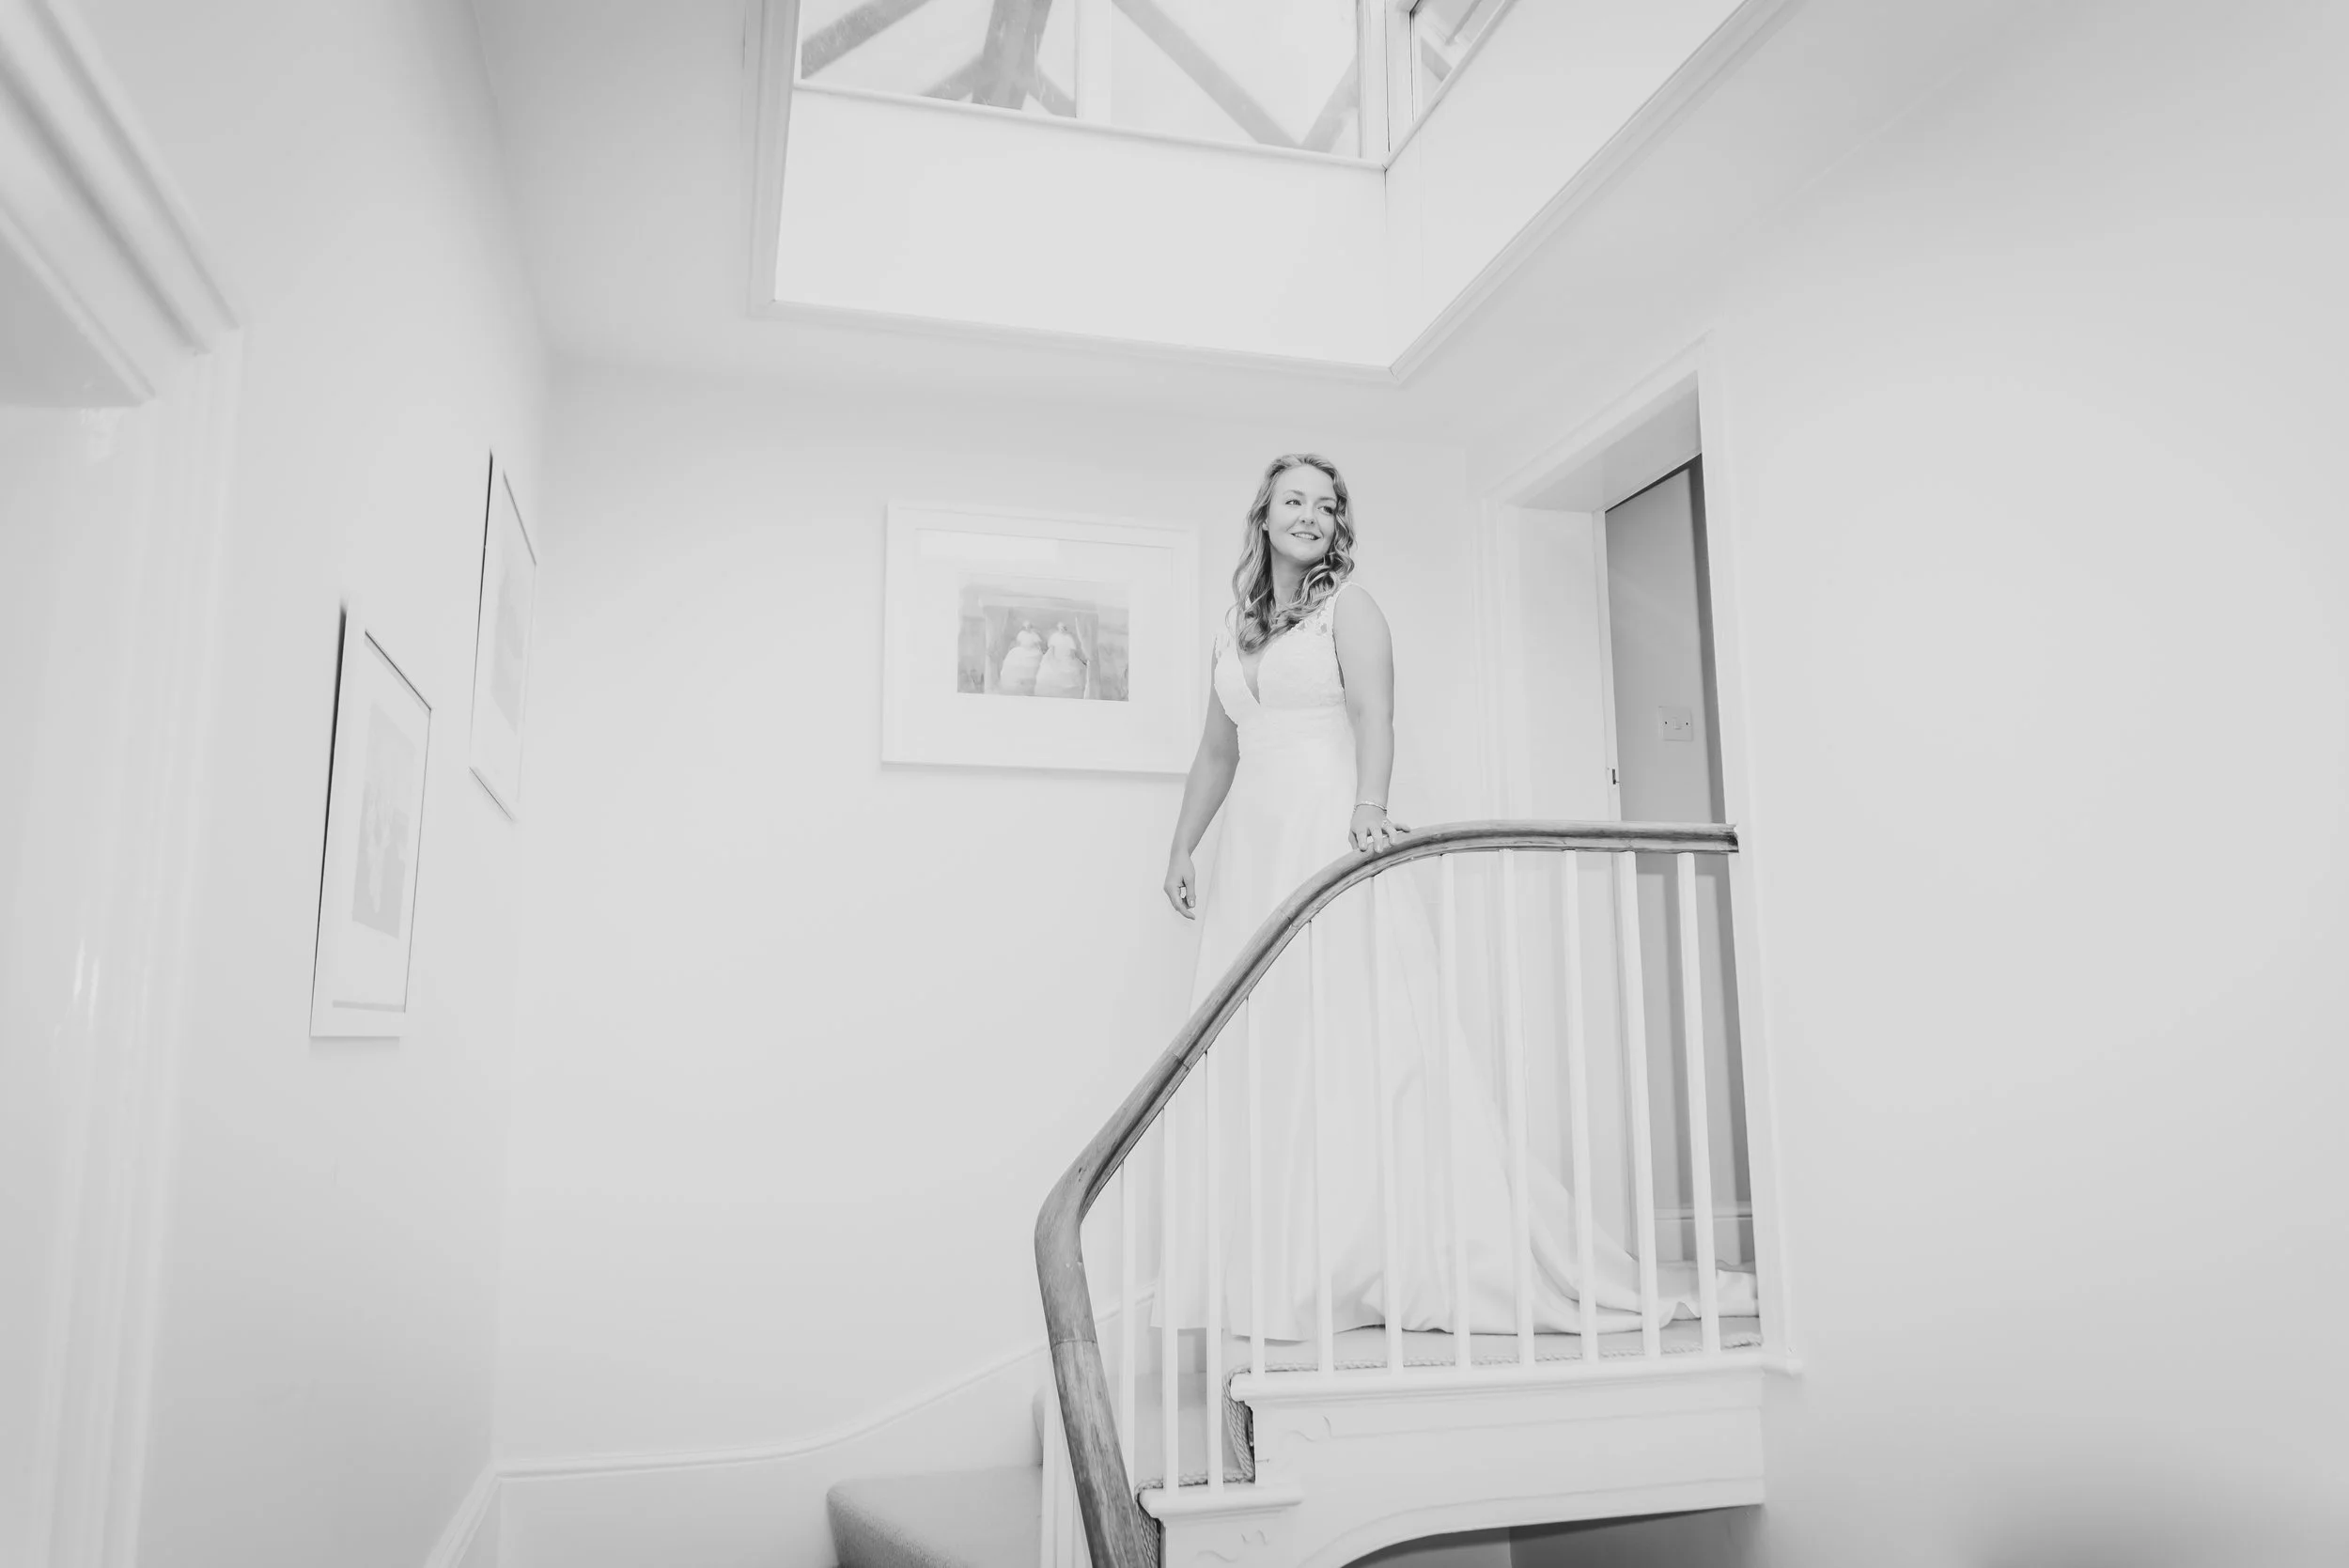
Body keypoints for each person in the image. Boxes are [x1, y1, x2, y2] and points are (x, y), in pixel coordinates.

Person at [1154, 453, 1752, 1341]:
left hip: (1324, 826)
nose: (1311, 515)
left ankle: (1367, 1255)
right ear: (1264, 517)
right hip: (1254, 849)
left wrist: (1369, 809)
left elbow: (1375, 717)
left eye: (1326, 504)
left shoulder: (1350, 609)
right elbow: (1217, 753)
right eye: (1294, 501)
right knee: (1268, 1040)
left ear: (1338, 523)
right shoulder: (1232, 633)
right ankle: (1281, 1268)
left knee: (1353, 1030)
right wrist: (1182, 843)